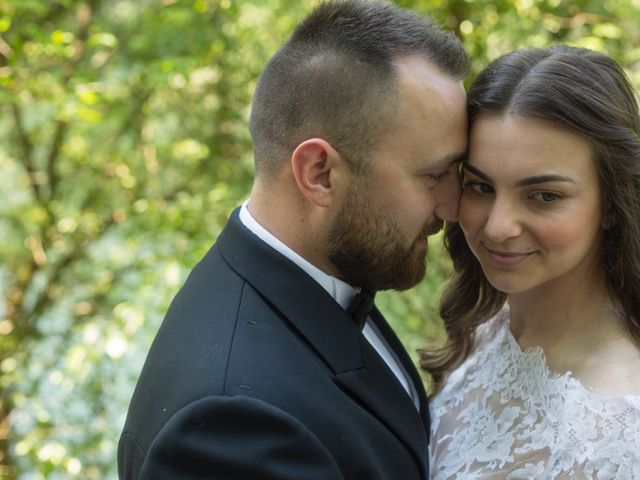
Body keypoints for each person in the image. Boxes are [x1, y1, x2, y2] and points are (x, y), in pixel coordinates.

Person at [118, 1, 468, 478]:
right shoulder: (228, 430)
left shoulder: (330, 270)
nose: (452, 207)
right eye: (433, 176)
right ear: (319, 173)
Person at [422, 44, 640, 478]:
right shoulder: (484, 330)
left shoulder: (618, 436)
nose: (499, 226)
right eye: (481, 187)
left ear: (612, 205)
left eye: (544, 196)